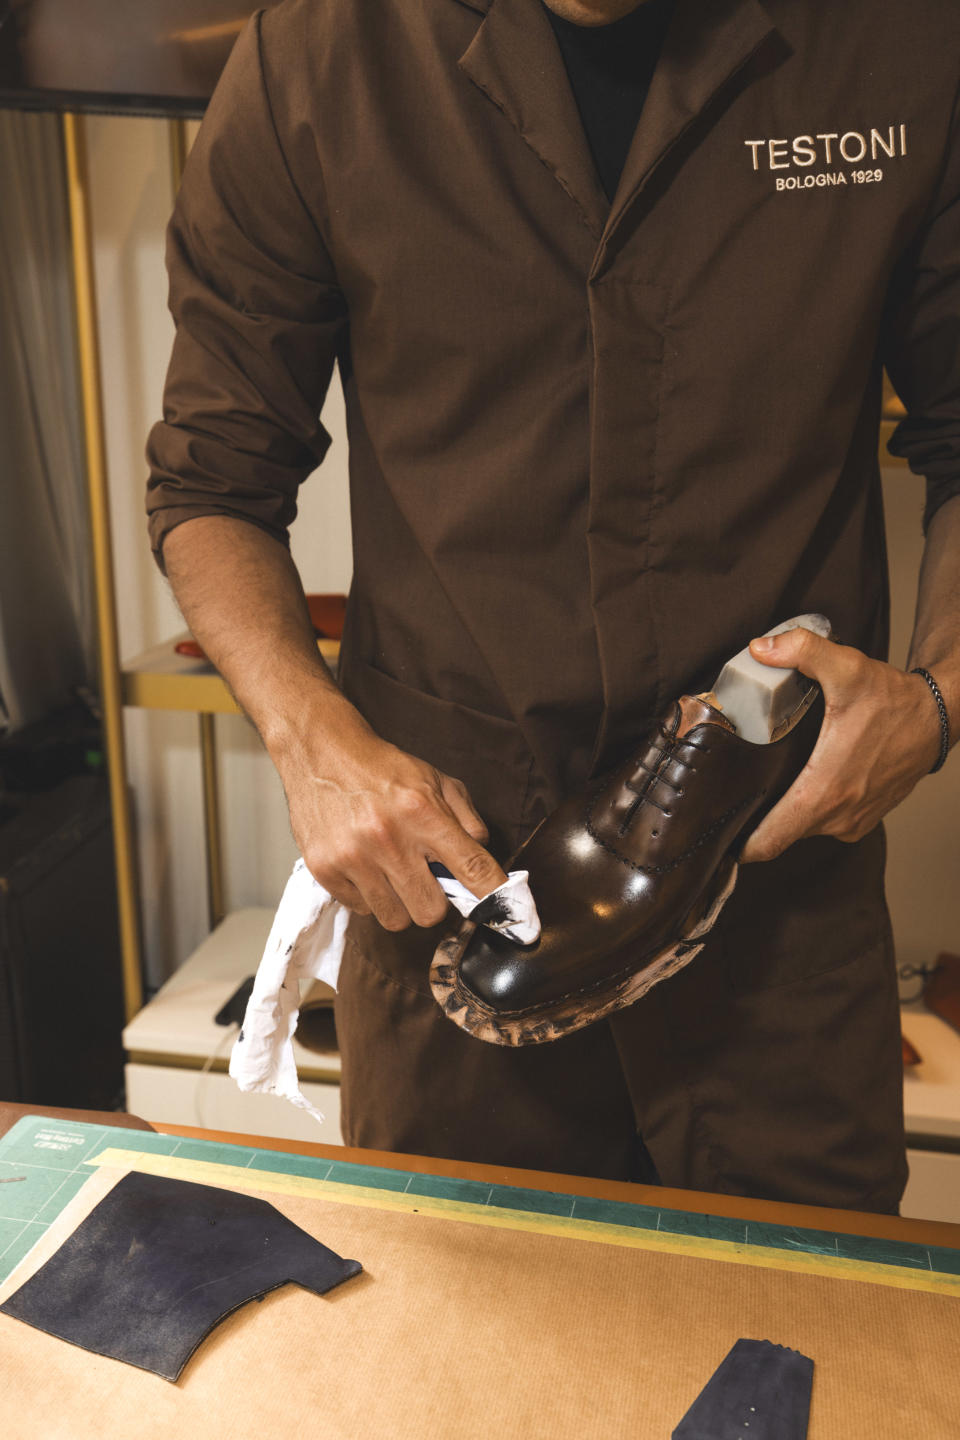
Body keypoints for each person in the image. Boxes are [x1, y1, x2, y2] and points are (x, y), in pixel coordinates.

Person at [146, 0, 960, 1212]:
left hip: (775, 914)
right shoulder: (317, 57)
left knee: (803, 1364)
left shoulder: (905, 40)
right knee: (471, 1371)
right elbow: (211, 484)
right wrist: (312, 742)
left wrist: (937, 698)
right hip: (459, 897)